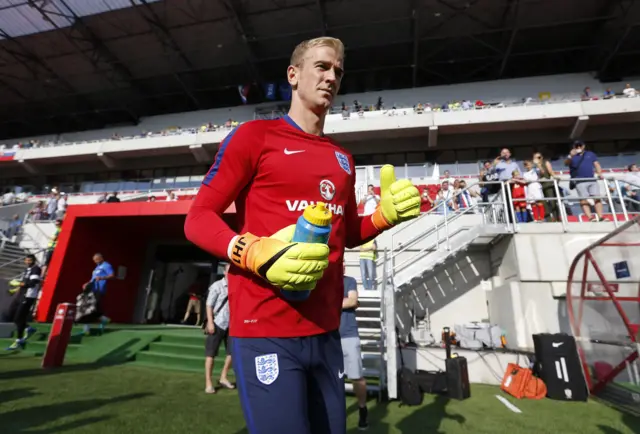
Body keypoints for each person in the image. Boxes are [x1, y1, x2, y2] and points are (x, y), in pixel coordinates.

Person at [184, 36, 421, 434]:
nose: (332, 77)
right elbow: (197, 218)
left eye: (339, 72)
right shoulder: (254, 137)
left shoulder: (343, 159)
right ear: (293, 75)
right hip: (265, 328)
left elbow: (346, 234)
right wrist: (250, 250)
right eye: (323, 67)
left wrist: (383, 217)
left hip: (325, 332)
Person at [340, 265, 369, 430]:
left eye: (342, 263)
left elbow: (352, 300)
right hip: (329, 338)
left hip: (349, 336)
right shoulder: (324, 283)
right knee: (334, 379)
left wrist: (330, 304)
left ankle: (362, 409)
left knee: (357, 377)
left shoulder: (349, 281)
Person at [204, 263, 235, 394]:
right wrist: (210, 323)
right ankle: (208, 383)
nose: (231, 274)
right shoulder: (217, 286)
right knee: (211, 354)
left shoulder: (236, 287)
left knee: (232, 353)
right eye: (229, 271)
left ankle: (223, 376)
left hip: (232, 325)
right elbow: (209, 305)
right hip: (217, 323)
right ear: (224, 272)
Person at [6, 255, 41, 351]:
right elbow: (24, 283)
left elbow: (32, 283)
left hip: (28, 296)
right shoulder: (27, 270)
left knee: (18, 318)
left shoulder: (36, 269)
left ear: (34, 261)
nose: (28, 261)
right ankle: (28, 329)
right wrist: (14, 290)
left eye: (30, 260)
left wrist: (17, 283)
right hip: (20, 295)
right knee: (10, 314)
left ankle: (19, 340)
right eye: (26, 260)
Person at [565, 140, 605, 222]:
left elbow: (596, 164)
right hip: (579, 180)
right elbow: (566, 163)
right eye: (576, 146)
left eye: (580, 145)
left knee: (597, 197)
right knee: (583, 199)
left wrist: (599, 173)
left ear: (583, 146)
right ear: (574, 147)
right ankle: (590, 217)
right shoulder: (572, 156)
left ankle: (600, 216)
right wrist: (570, 156)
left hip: (591, 179)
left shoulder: (590, 154)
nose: (578, 147)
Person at [81, 253, 114, 335]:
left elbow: (112, 275)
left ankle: (87, 329)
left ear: (101, 258)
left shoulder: (106, 265)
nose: (96, 262)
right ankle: (103, 319)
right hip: (92, 289)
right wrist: (87, 283)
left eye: (97, 260)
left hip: (99, 289)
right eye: (94, 261)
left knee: (89, 308)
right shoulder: (97, 267)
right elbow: (93, 278)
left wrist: (102, 278)